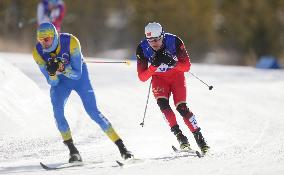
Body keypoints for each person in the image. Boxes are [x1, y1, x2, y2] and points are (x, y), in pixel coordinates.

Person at [32, 22, 133, 163]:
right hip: (61, 82)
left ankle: (122, 148)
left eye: (47, 39)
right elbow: (52, 83)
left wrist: (62, 68)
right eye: (40, 40)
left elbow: (77, 74)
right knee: (57, 111)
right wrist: (52, 73)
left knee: (93, 111)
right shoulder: (38, 52)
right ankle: (73, 151)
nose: (44, 44)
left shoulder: (71, 42)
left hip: (79, 78)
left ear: (54, 36)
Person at [136, 22, 210, 154]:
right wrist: (153, 66)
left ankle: (201, 141)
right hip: (159, 80)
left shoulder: (174, 41)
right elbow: (142, 77)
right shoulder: (142, 48)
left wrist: (173, 63)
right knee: (164, 106)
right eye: (150, 40)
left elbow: (187, 67)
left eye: (157, 39)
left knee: (181, 108)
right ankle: (181, 138)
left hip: (176, 77)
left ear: (163, 35)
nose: (154, 43)